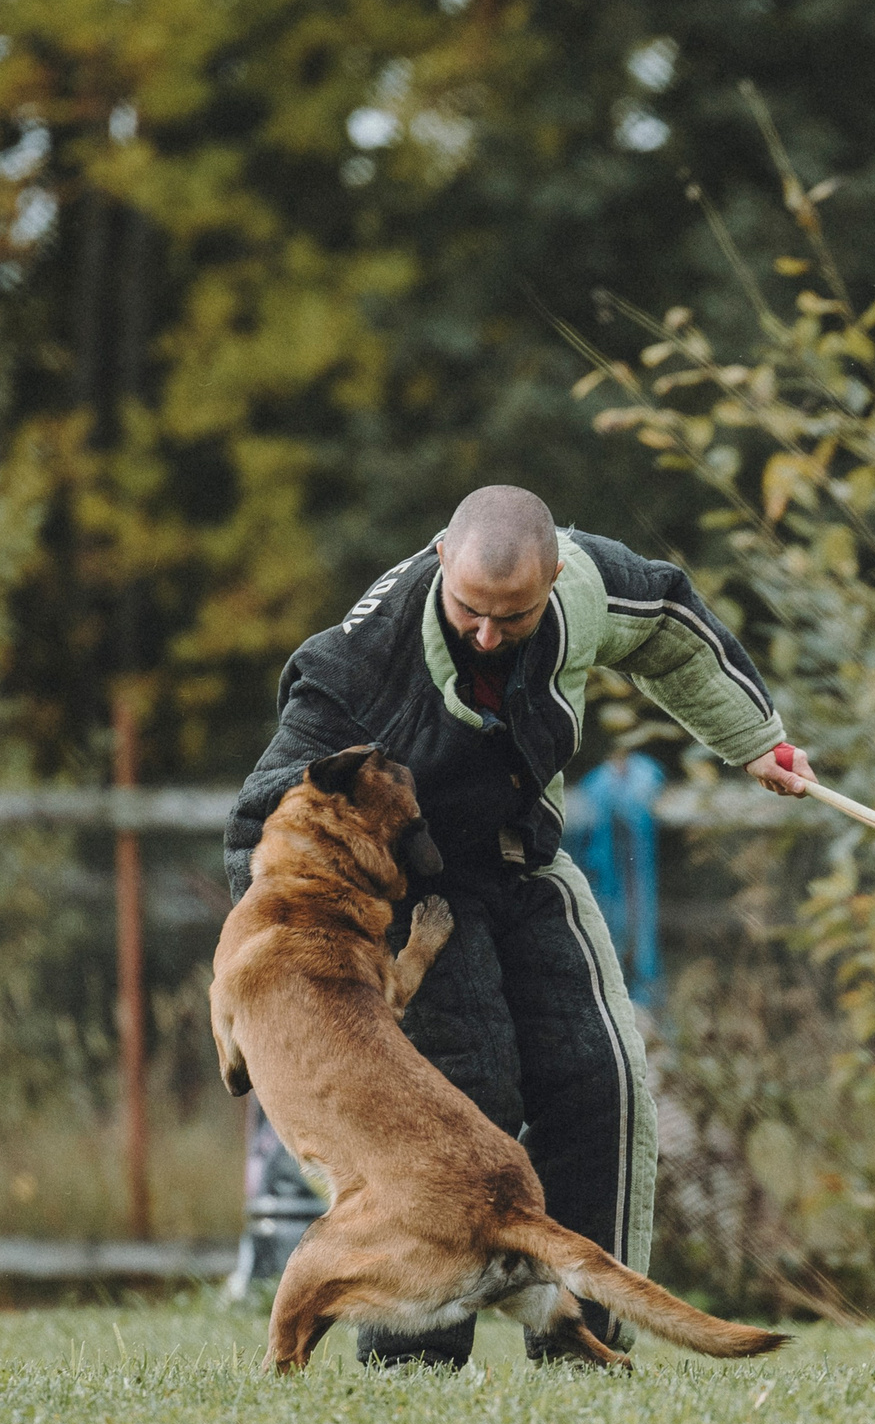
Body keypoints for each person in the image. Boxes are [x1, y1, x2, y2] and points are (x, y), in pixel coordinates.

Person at [224, 484, 813, 1366]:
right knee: (467, 1087)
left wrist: (756, 739)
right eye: (471, 612)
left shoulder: (586, 584)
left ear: (556, 580)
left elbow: (667, 621)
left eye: (515, 616)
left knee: (603, 1077)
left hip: (523, 857)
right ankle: (409, 1367)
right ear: (439, 560)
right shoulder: (357, 669)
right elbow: (262, 819)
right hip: (412, 888)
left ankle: (585, 1348)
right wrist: (308, 967)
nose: (490, 635)